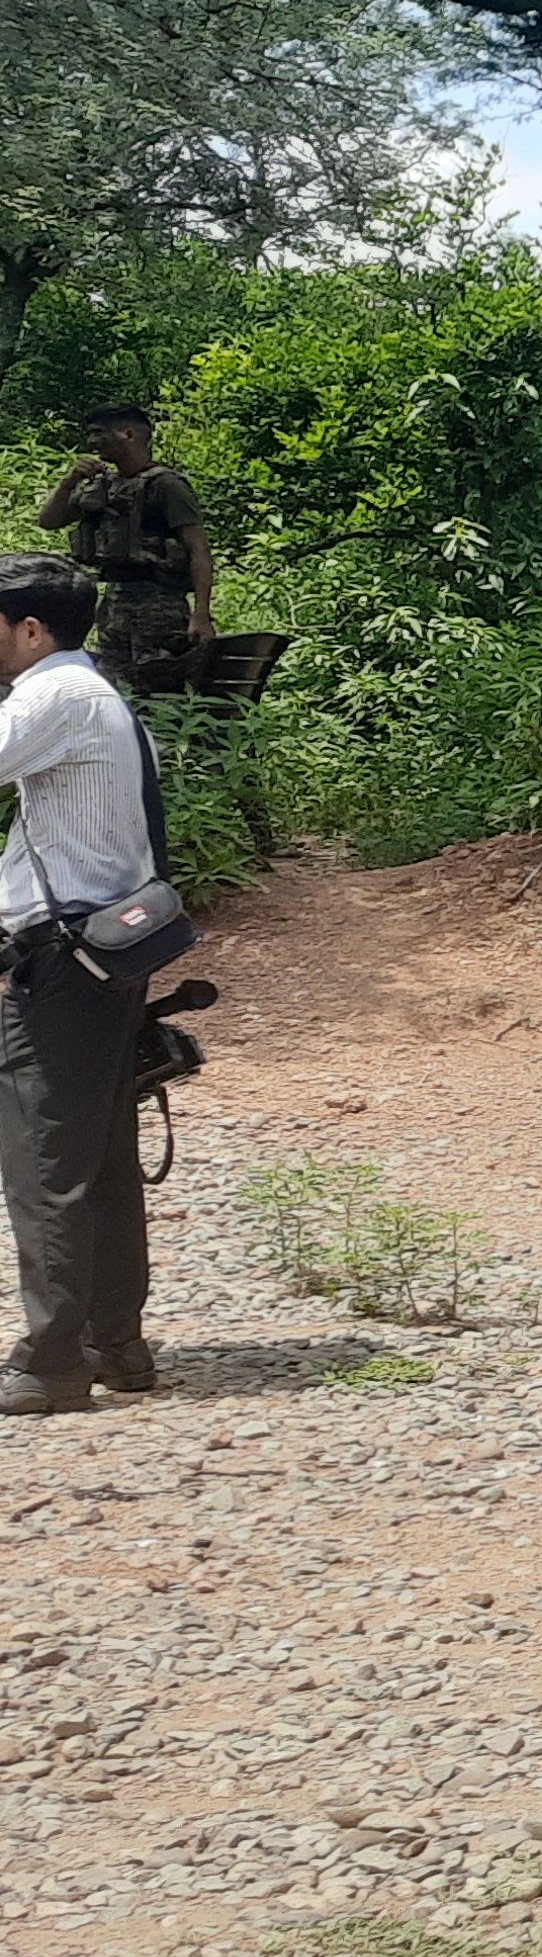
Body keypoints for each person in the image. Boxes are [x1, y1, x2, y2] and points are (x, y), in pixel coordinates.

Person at [0, 554, 165, 1415]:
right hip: (101, 956)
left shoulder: (51, 696)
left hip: (62, 960)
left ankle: (50, 1362)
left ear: (31, 630)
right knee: (99, 1161)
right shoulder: (96, 694)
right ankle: (115, 1343)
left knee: (45, 1163)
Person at [33, 405, 211, 691]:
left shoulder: (166, 486)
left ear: (128, 434)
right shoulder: (104, 485)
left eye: (98, 434)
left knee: (161, 686)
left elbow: (198, 549)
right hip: (114, 602)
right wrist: (70, 482)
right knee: (114, 687)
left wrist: (201, 613)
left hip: (160, 602)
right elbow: (49, 520)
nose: (91, 442)